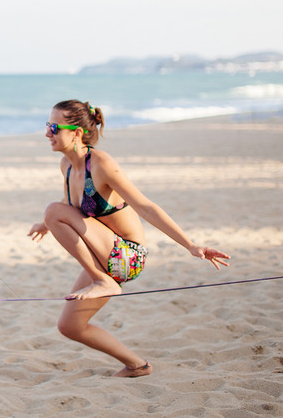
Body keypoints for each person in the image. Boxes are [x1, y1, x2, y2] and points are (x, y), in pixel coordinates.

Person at [28, 100, 230, 377]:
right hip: (104, 256)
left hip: (127, 256)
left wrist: (191, 245)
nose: (47, 133)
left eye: (53, 127)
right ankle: (137, 365)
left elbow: (146, 207)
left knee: (53, 210)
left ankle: (103, 282)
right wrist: (46, 223)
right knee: (70, 327)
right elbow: (70, 205)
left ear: (75, 132)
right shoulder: (66, 166)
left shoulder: (101, 164)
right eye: (46, 126)